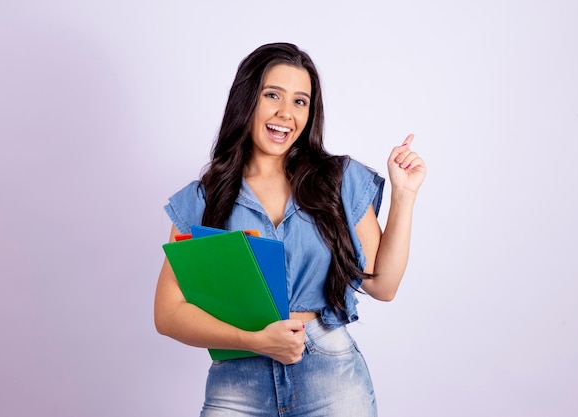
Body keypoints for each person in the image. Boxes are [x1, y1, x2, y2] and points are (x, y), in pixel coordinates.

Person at [154, 42, 426, 416]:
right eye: (272, 95)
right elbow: (168, 313)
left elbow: (383, 284)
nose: (286, 113)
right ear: (247, 100)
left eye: (300, 101)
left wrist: (404, 196)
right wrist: (253, 340)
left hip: (330, 376)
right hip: (237, 383)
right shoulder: (204, 198)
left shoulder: (337, 180)